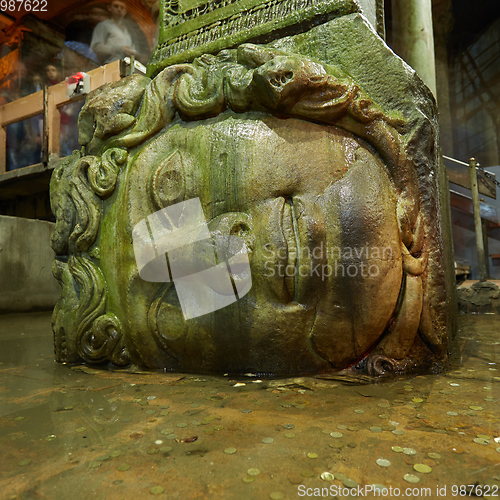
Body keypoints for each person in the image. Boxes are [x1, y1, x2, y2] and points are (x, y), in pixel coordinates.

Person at [90, 0, 147, 65]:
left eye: (122, 8)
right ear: (109, 8)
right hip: (111, 65)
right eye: (116, 6)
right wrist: (119, 49)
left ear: (125, 11)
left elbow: (132, 48)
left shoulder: (129, 30)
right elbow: (96, 48)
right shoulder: (103, 25)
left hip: (128, 67)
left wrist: (138, 55)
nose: (119, 9)